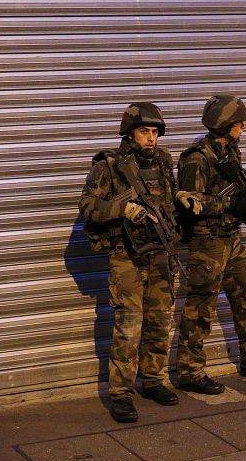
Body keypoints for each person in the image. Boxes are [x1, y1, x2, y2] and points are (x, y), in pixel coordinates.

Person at [79, 102, 198, 423]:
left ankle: (153, 380)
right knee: (129, 326)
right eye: (144, 131)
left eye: (155, 132)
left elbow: (166, 195)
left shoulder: (163, 160)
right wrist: (123, 209)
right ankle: (120, 392)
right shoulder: (109, 165)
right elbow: (88, 206)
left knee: (160, 321)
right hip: (127, 257)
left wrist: (180, 197)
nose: (151, 138)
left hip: (161, 253)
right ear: (130, 133)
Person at [175, 95, 246, 394]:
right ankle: (189, 372)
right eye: (239, 123)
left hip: (231, 238)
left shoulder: (231, 152)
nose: (243, 127)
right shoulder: (197, 158)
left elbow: (238, 193)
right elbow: (190, 202)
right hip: (207, 242)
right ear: (224, 123)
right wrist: (230, 204)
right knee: (200, 308)